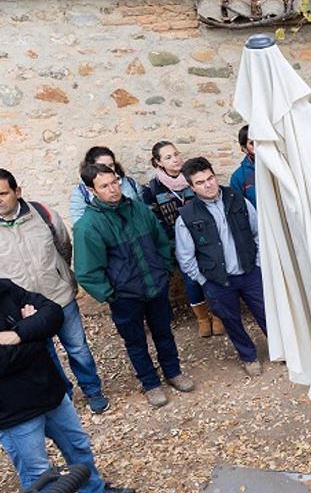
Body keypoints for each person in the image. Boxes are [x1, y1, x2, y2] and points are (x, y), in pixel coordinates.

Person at [0, 278, 135, 493]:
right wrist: (35, 330)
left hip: (50, 392)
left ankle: (94, 491)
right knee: (37, 473)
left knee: (78, 445)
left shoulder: (5, 288)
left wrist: (18, 333)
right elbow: (3, 363)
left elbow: (53, 312)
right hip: (13, 413)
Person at [73, 163, 195, 407]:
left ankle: (173, 372)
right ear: (92, 190)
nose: (113, 189)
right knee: (136, 341)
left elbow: (160, 242)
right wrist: (110, 294)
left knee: (164, 332)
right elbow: (87, 272)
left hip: (155, 286)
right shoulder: (88, 226)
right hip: (125, 296)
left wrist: (165, 270)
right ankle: (150, 383)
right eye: (104, 186)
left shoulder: (138, 209)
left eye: (114, 182)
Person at [0, 169, 109, 414]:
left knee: (78, 347)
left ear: (17, 192)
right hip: (27, 308)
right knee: (45, 353)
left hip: (59, 297)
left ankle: (93, 391)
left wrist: (62, 278)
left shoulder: (43, 214)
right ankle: (64, 396)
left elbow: (64, 246)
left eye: (3, 193)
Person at [175, 157, 268, 376]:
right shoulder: (186, 216)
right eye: (200, 182)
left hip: (249, 271)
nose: (208, 185)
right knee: (231, 320)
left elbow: (257, 232)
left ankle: (282, 350)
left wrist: (257, 263)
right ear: (191, 187)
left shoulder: (238, 199)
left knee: (267, 313)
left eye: (210, 178)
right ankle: (248, 356)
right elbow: (185, 256)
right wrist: (203, 280)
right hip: (217, 280)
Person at [140, 140, 223, 339]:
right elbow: (156, 221)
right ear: (158, 162)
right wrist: (173, 246)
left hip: (205, 238)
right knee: (191, 280)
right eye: (168, 157)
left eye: (176, 154)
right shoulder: (152, 189)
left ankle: (218, 314)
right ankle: (203, 318)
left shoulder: (192, 179)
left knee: (215, 275)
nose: (175, 159)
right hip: (178, 243)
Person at [69, 146, 140, 225]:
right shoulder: (81, 192)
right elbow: (79, 222)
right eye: (102, 166)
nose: (107, 169)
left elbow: (142, 208)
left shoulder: (129, 182)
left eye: (111, 165)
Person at [229, 125, 257, 206]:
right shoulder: (238, 177)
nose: (258, 146)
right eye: (252, 143)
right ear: (244, 148)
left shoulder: (278, 166)